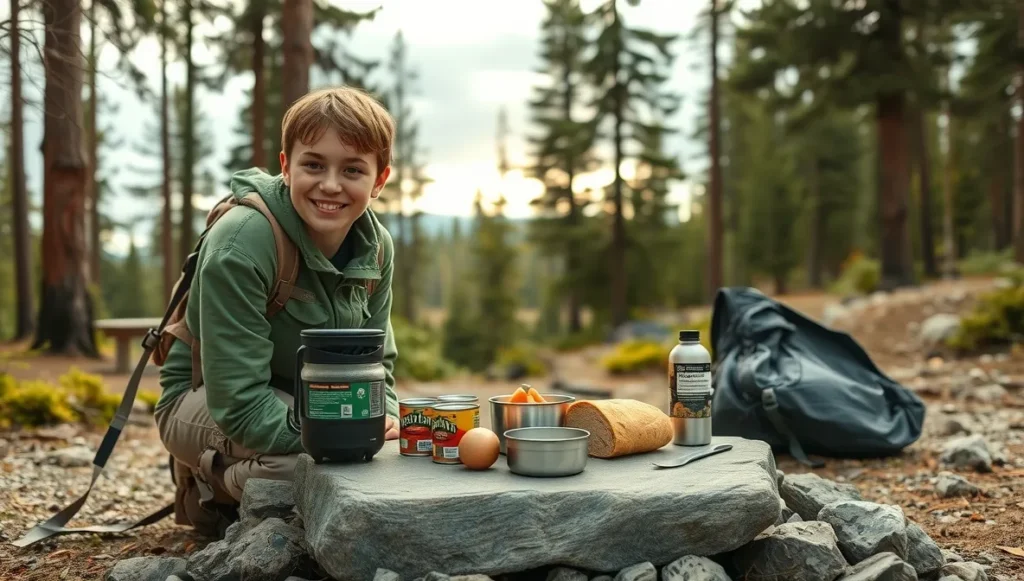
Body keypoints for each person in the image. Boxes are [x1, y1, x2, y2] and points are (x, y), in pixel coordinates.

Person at [153, 86, 401, 536]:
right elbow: (239, 403)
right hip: (205, 398)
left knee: (377, 458)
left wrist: (386, 423)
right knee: (305, 466)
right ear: (286, 166)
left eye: (352, 169)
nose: (330, 184)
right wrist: (344, 437)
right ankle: (212, 483)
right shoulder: (243, 242)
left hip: (309, 399)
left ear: (379, 180)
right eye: (313, 164)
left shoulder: (376, 248)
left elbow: (377, 363)